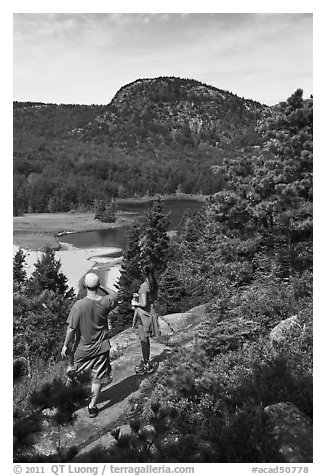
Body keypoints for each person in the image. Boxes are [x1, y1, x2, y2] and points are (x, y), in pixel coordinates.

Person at [61, 272, 118, 418]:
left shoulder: (79, 305)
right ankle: (92, 407)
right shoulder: (106, 302)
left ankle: (66, 403)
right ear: (97, 286)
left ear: (85, 286)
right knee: (98, 377)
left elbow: (72, 329)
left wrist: (65, 345)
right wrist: (102, 286)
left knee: (73, 375)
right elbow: (115, 294)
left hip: (82, 349)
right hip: (101, 348)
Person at [131, 265, 160, 375]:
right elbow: (152, 299)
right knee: (146, 338)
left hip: (143, 315)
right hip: (151, 312)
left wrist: (135, 302)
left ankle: (146, 363)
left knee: (143, 339)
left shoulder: (144, 286)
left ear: (144, 273)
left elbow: (143, 303)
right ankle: (146, 361)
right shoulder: (154, 284)